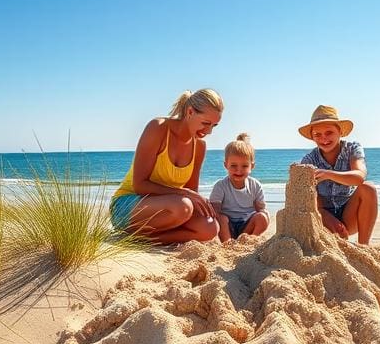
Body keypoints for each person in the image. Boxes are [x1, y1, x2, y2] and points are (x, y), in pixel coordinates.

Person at [110, 89, 223, 244]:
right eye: (205, 123)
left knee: (210, 228)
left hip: (168, 210)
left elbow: (192, 193)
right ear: (190, 112)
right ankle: (133, 233)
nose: (209, 131)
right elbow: (139, 185)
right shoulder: (158, 128)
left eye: (214, 126)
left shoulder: (200, 146)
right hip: (127, 206)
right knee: (182, 206)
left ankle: (143, 239)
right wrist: (183, 193)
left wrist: (207, 210)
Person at [298, 104, 378, 245]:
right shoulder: (309, 160)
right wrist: (325, 215)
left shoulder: (352, 149)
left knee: (368, 188)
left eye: (329, 132)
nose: (324, 139)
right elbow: (308, 197)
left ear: (340, 131)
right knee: (332, 230)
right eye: (317, 134)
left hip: (350, 212)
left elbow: (359, 177)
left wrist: (329, 174)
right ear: (312, 137)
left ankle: (364, 247)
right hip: (323, 214)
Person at [209, 133, 270, 242]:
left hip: (247, 226)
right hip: (227, 227)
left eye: (244, 166)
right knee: (221, 218)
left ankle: (249, 240)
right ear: (225, 165)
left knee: (262, 217)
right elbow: (215, 211)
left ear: (252, 166)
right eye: (233, 166)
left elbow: (260, 208)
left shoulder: (255, 185)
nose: (239, 170)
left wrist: (264, 214)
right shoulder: (220, 186)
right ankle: (227, 242)